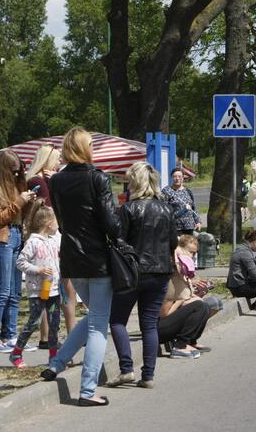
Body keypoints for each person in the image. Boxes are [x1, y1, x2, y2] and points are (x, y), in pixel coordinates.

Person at [41, 127, 121, 408]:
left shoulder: (58, 181)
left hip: (71, 258)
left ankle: (57, 363)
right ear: (84, 149)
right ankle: (88, 390)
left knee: (93, 318)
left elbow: (61, 221)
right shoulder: (98, 178)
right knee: (99, 325)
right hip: (97, 258)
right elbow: (111, 223)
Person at [106, 162, 177, 389]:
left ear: (135, 182)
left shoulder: (128, 209)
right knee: (149, 324)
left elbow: (120, 240)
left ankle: (126, 369)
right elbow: (173, 242)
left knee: (117, 319)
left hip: (133, 272)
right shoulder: (167, 209)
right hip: (160, 272)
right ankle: (148, 375)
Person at [0, 151, 38, 353]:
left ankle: (12, 337)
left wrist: (29, 199)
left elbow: (19, 213)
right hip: (2, 239)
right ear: (3, 169)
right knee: (3, 291)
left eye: (18, 172)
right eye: (13, 172)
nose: (16, 175)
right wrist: (20, 201)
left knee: (15, 292)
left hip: (16, 236)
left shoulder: (14, 185)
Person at [25, 143, 77, 350]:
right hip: (52, 237)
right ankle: (70, 332)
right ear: (48, 160)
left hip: (42, 238)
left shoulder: (34, 180)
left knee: (45, 287)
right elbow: (51, 209)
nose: (59, 163)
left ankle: (46, 336)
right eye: (57, 159)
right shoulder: (41, 180)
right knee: (64, 285)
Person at [12, 204, 61, 368]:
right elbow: (20, 262)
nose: (58, 224)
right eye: (56, 221)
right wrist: (38, 269)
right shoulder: (33, 242)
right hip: (37, 290)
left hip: (53, 289)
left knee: (54, 324)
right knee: (34, 322)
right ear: (48, 223)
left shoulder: (54, 241)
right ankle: (16, 352)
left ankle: (53, 357)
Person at [161, 167, 201, 235]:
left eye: (180, 176)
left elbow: (193, 208)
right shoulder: (166, 191)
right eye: (175, 176)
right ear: (171, 177)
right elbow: (166, 213)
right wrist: (183, 210)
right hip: (175, 228)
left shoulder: (188, 191)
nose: (177, 179)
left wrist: (198, 221)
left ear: (183, 177)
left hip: (189, 227)